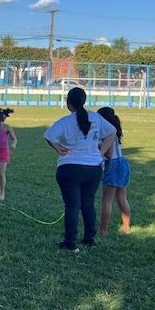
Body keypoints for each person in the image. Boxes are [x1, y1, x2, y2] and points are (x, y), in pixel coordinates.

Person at [44, 87, 116, 251]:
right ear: (84, 101)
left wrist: (57, 148)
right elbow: (111, 132)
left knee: (72, 206)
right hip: (93, 168)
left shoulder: (65, 121)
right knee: (88, 203)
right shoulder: (96, 118)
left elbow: (48, 135)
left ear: (68, 103)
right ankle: (89, 239)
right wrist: (100, 152)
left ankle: (70, 241)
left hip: (69, 168)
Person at [96, 107, 132, 237]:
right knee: (122, 198)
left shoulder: (107, 132)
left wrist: (98, 146)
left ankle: (103, 230)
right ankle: (126, 227)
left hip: (112, 165)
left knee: (107, 200)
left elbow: (109, 154)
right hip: (122, 163)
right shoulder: (115, 130)